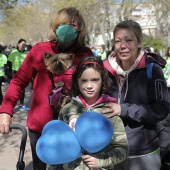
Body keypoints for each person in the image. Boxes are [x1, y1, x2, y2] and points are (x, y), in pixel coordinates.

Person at [0, 7, 93, 170]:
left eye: (73, 25)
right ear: (55, 26)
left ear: (80, 29)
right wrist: (6, 111)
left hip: (73, 129)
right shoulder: (39, 50)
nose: (68, 28)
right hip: (40, 128)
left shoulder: (85, 54)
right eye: (63, 23)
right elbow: (18, 82)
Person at [102, 20, 170, 170]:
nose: (123, 46)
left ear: (139, 41)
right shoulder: (103, 69)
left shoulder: (152, 69)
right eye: (118, 41)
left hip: (143, 153)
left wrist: (124, 110)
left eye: (129, 40)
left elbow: (161, 110)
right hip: (109, 150)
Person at [47, 56, 129, 170]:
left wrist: (101, 161)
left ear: (103, 80)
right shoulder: (66, 110)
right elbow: (56, 144)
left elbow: (123, 149)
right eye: (84, 80)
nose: (89, 86)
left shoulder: (110, 111)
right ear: (77, 82)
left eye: (95, 80)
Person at [7, 38, 29, 111]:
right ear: (18, 44)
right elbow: (9, 63)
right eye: (22, 44)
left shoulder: (26, 53)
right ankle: (10, 105)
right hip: (15, 72)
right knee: (14, 89)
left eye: (24, 45)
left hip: (24, 73)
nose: (23, 46)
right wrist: (10, 74)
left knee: (22, 90)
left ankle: (21, 104)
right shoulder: (14, 52)